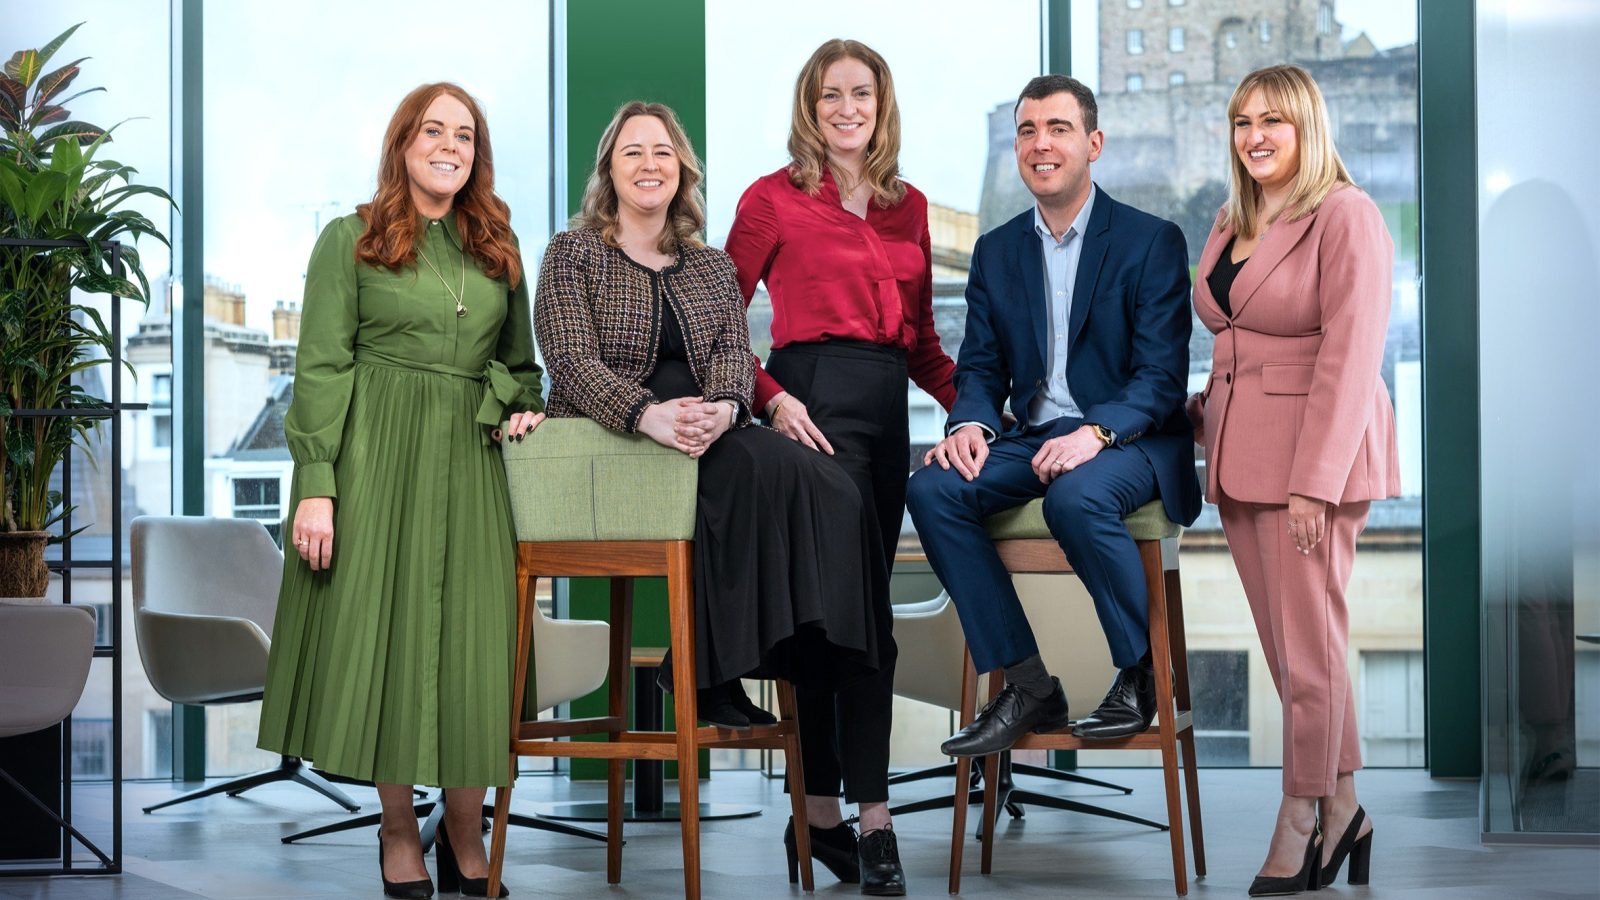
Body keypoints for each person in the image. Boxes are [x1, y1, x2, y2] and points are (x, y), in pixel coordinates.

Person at [534, 95, 882, 836]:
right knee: (745, 476)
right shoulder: (574, 253)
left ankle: (809, 649)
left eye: (662, 152)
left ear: (681, 170)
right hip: (616, 434)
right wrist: (647, 414)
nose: (649, 164)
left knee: (831, 488)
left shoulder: (709, 263)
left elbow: (731, 352)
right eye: (632, 151)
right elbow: (568, 360)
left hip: (706, 423)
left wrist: (725, 408)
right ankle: (710, 674)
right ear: (609, 170)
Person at [257, 82, 545, 899]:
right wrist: (317, 486)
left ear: (475, 153)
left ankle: (463, 830)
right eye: (433, 130)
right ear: (404, 143)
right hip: (375, 458)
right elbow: (319, 367)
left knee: (472, 647)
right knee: (388, 642)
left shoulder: (498, 248)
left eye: (464, 134)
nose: (448, 145)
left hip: (469, 462)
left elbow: (522, 371)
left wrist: (514, 409)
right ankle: (395, 830)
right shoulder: (347, 240)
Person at [905, 74, 1200, 759]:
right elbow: (978, 367)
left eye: (1059, 129)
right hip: (1032, 436)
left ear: (1093, 144)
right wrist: (971, 425)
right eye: (1029, 131)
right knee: (932, 487)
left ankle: (1140, 673)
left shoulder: (1149, 241)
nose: (1042, 144)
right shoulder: (998, 250)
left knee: (1076, 495)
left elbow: (1160, 381)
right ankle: (1029, 682)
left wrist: (1093, 435)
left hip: (1127, 439)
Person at [723, 38, 952, 896]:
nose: (847, 109)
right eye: (830, 97)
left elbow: (924, 342)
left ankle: (819, 819)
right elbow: (717, 325)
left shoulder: (912, 206)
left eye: (861, 94)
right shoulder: (770, 200)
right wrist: (772, 399)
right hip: (810, 412)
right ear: (809, 108)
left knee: (843, 619)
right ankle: (874, 821)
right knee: (856, 622)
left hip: (886, 413)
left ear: (881, 104)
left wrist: (980, 408)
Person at [1188, 64, 1398, 896]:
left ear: (1308, 127)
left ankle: (1302, 814)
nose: (1255, 136)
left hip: (1313, 462)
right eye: (1243, 121)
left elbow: (1351, 360)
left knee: (1309, 654)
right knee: (1290, 654)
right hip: (1239, 457)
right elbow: (1234, 335)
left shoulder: (1346, 216)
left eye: (1273, 120)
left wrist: (1315, 481)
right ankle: (1347, 807)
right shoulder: (1231, 217)